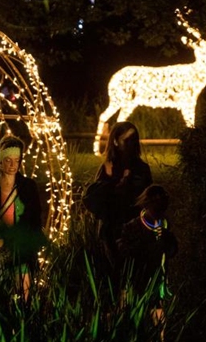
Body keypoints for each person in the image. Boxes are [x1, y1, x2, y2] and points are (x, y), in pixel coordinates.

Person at [84, 121, 153, 287]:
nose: (131, 144)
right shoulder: (108, 168)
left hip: (136, 229)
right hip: (112, 229)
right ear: (115, 141)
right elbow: (94, 201)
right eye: (126, 140)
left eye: (133, 139)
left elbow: (149, 199)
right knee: (116, 276)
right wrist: (111, 181)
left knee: (136, 276)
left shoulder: (142, 169)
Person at [0, 135, 46, 301]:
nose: (13, 165)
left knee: (24, 290)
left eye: (16, 160)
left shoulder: (28, 186)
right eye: (8, 160)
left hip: (22, 248)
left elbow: (35, 217)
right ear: (0, 161)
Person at [117, 185, 178, 332]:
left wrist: (167, 239)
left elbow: (172, 251)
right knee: (135, 323)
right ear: (147, 203)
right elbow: (124, 252)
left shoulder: (164, 226)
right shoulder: (133, 227)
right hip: (137, 282)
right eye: (156, 203)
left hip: (158, 282)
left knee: (157, 318)